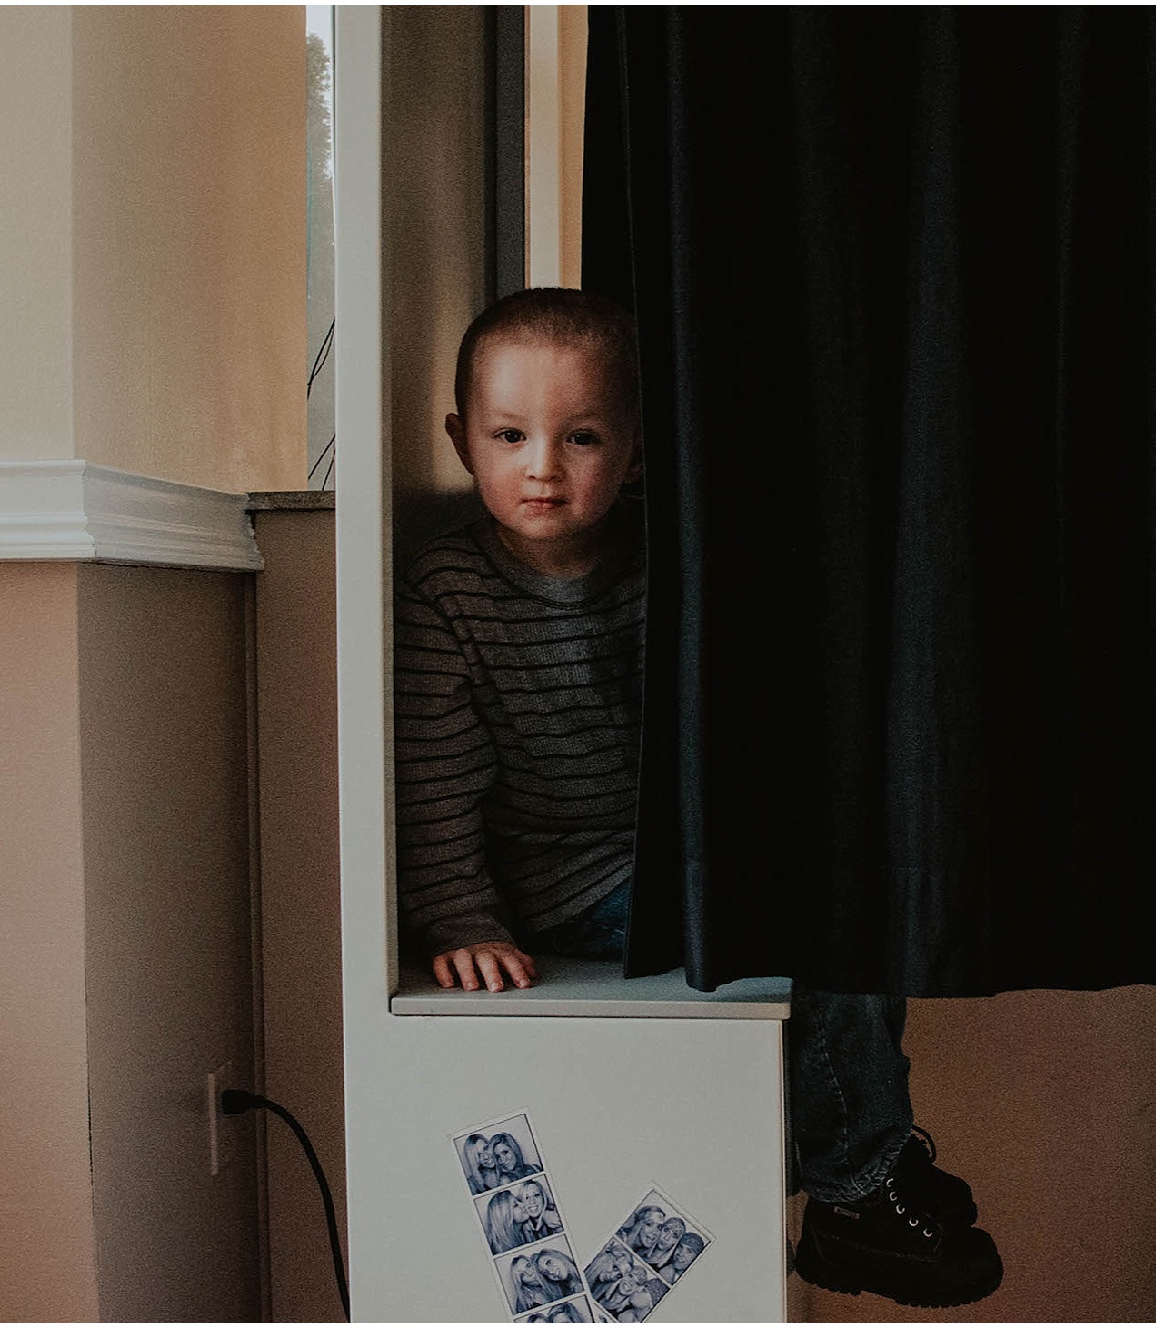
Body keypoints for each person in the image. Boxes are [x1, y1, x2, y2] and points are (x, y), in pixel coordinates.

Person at [395, 287, 1001, 1307]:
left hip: (673, 857)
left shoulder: (666, 555)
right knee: (822, 910)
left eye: (580, 435)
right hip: (568, 882)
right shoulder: (445, 590)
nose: (542, 465)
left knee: (858, 875)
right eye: (509, 434)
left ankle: (864, 1151)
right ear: (461, 440)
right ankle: (855, 1184)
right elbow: (433, 772)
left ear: (633, 447)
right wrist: (461, 908)